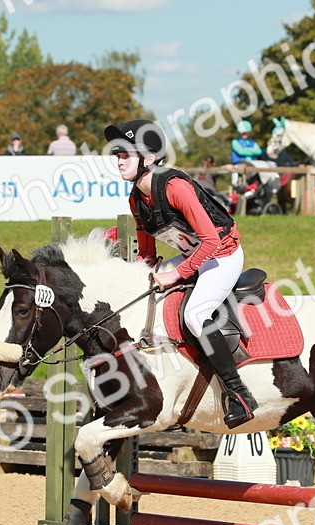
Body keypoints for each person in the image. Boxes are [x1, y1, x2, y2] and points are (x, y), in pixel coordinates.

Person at [104, 118, 257, 426]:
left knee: (195, 315)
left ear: (148, 158)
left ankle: (239, 394)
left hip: (223, 255)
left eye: (126, 155)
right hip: (195, 255)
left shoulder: (175, 187)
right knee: (147, 290)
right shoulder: (136, 198)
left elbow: (212, 241)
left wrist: (175, 275)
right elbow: (147, 256)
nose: (119, 161)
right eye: (117, 155)